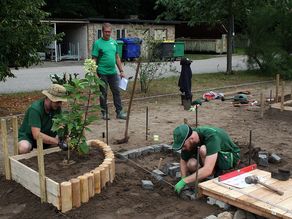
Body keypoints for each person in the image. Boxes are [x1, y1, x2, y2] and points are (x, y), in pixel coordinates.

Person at [172, 124, 241, 194]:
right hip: (211, 155)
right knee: (191, 164)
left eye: (184, 146)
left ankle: (211, 176)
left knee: (203, 150)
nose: (183, 148)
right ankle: (203, 175)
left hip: (229, 156)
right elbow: (183, 160)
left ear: (191, 139)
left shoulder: (212, 137)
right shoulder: (190, 137)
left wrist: (185, 181)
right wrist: (183, 178)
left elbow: (208, 170)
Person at [18, 84, 68, 154]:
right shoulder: (35, 109)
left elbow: (60, 125)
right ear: (49, 98)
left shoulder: (56, 108)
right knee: (24, 147)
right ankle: (20, 162)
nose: (60, 104)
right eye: (58, 101)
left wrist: (64, 137)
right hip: (29, 138)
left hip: (46, 138)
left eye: (61, 102)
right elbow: (36, 135)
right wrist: (57, 142)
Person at [92, 22, 126, 120]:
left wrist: (121, 71)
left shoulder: (114, 42)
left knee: (117, 92)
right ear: (102, 31)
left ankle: (119, 112)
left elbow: (117, 57)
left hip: (113, 72)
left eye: (109, 32)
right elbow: (94, 59)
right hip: (102, 73)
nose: (108, 33)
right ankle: (104, 113)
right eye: (106, 32)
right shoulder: (97, 43)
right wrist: (94, 74)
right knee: (103, 93)